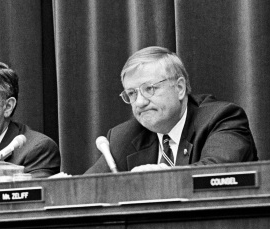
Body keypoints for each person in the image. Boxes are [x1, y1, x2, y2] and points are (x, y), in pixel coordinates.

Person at [86, 46, 257, 174]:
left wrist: (163, 176)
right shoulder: (122, 138)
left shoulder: (221, 119)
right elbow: (89, 188)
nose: (139, 102)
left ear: (180, 87)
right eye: (131, 93)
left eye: (149, 89)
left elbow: (216, 173)